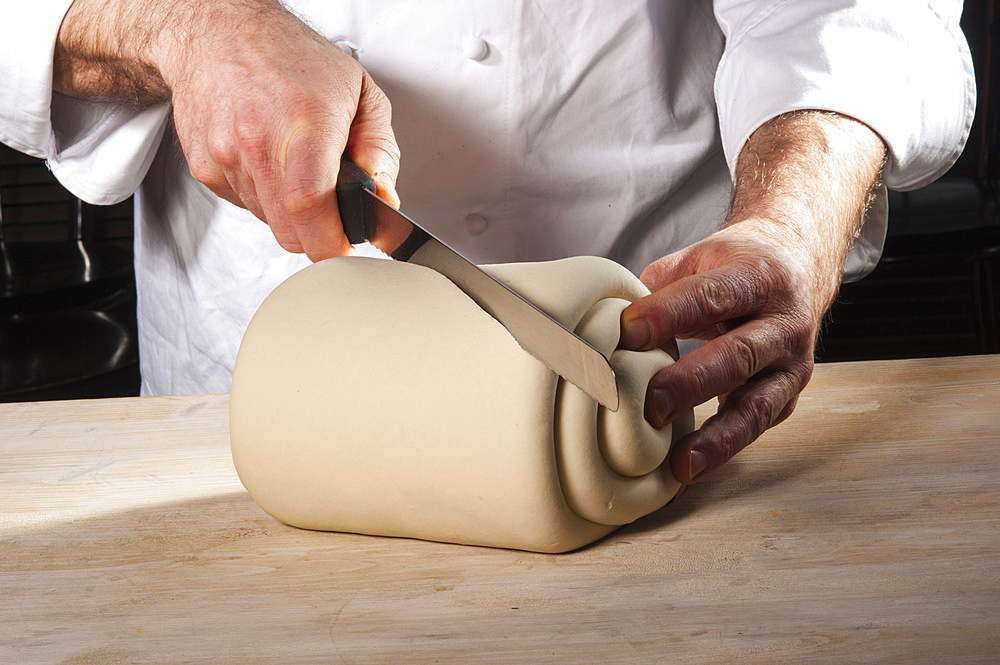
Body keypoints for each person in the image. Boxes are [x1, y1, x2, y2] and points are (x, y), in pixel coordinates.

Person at [0, 1, 974, 484]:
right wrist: (183, 26)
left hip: (650, 374)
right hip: (251, 404)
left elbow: (846, 11)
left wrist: (787, 217)